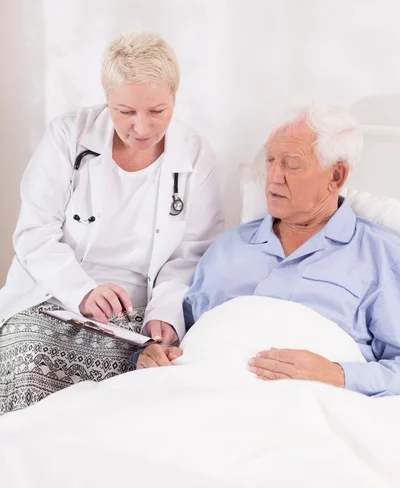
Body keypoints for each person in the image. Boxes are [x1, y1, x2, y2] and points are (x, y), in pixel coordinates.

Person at [0, 31, 224, 414]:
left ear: (174, 98)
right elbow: (35, 233)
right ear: (107, 100)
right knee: (27, 356)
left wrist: (164, 317)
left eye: (157, 111)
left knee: (155, 373)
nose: (142, 127)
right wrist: (83, 291)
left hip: (139, 315)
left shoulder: (195, 153)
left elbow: (192, 253)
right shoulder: (68, 135)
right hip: (53, 300)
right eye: (125, 112)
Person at [136, 101, 400, 398]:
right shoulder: (227, 248)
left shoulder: (381, 257)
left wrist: (339, 374)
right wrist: (155, 355)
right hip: (198, 395)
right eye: (271, 160)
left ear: (336, 176)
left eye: (291, 164)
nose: (273, 176)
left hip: (307, 410)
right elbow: (181, 339)